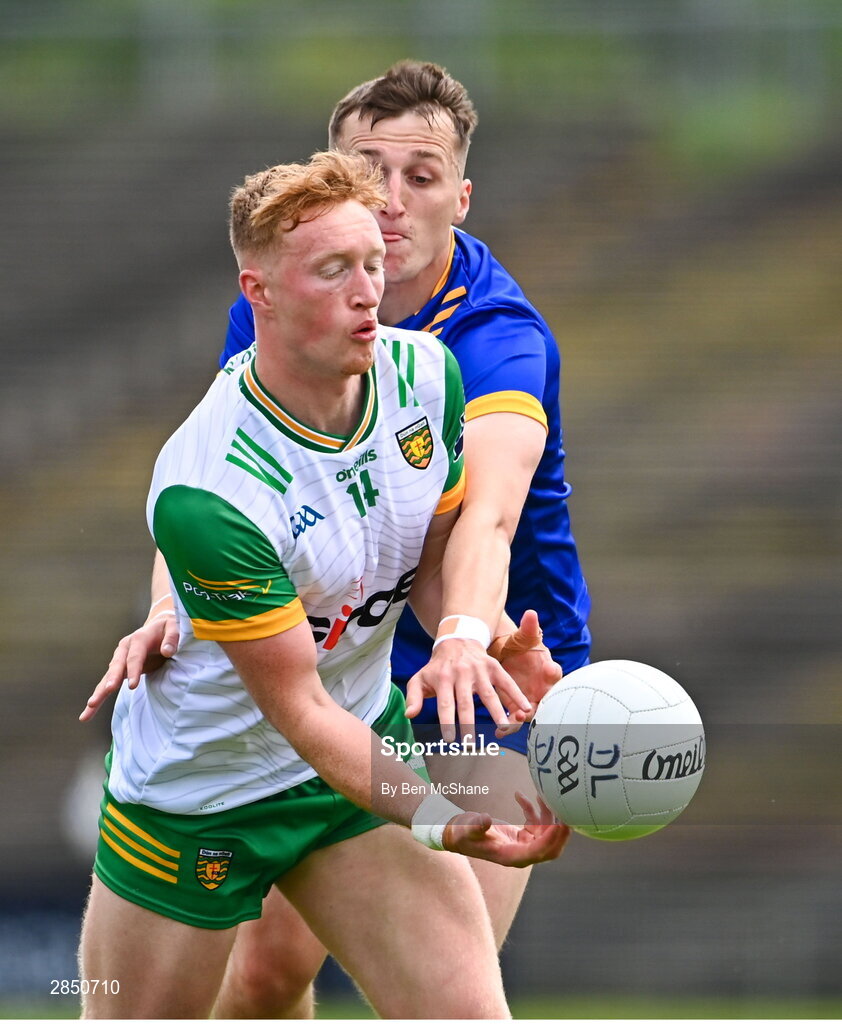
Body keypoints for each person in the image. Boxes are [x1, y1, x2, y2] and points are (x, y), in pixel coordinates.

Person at [82, 61, 591, 1018]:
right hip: (219, 777)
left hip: (443, 675)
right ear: (262, 292)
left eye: (421, 177)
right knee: (264, 980)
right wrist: (168, 603)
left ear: (462, 195)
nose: (386, 229)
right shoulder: (221, 453)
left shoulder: (456, 358)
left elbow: (479, 524)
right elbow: (220, 512)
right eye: (370, 175)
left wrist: (471, 640)